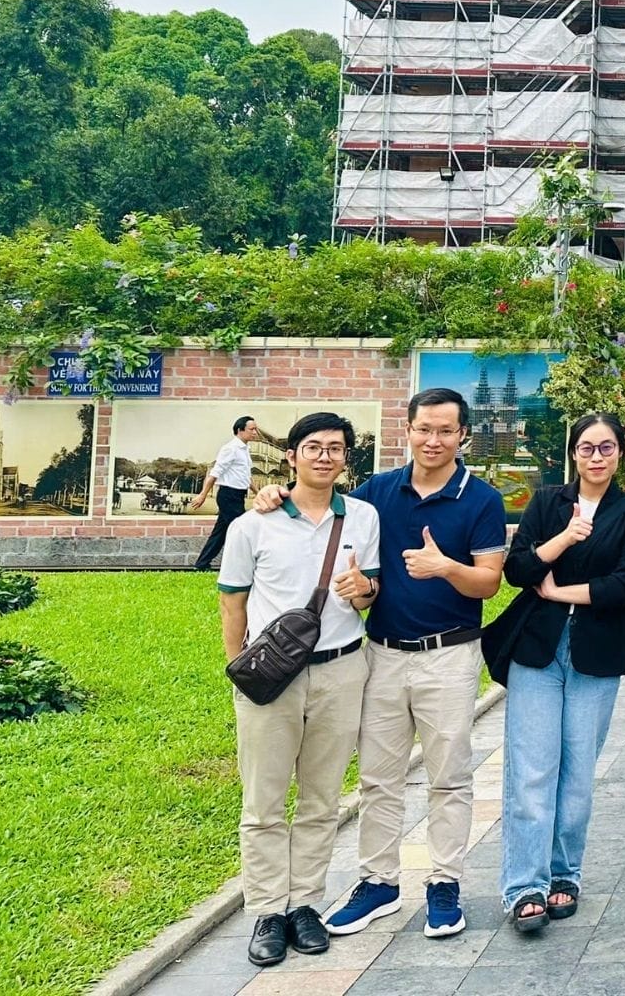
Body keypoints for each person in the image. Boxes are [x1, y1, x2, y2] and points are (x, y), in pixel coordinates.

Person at [306, 389, 507, 941]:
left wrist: (445, 567)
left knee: (449, 777)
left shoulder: (482, 499)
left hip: (450, 655)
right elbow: (319, 508)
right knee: (378, 777)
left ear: (463, 435)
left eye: (445, 431)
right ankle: (379, 883)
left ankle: (444, 884)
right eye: (424, 429)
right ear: (408, 429)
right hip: (383, 655)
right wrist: (274, 494)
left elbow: (490, 582)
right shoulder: (376, 494)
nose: (433, 440)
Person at [217, 413, 382, 967]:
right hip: (274, 678)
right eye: (313, 447)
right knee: (263, 801)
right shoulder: (252, 525)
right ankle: (266, 909)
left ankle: (305, 904)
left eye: (336, 448)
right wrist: (239, 667)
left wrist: (365, 590)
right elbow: (232, 600)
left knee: (321, 799)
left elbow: (368, 598)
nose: (324, 456)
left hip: (341, 671)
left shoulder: (362, 517)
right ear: (291, 456)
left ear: (346, 459)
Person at [486, 414, 625, 932]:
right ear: (572, 453)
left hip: (595, 654)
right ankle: (524, 886)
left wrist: (558, 590)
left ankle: (564, 875)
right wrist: (562, 539)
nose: (596, 456)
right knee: (532, 769)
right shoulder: (548, 503)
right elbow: (517, 571)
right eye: (586, 447)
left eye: (606, 447)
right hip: (538, 649)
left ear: (621, 453)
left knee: (577, 773)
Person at [194, 416, 263, 570]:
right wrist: (203, 494)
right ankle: (246, 566)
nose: (255, 432)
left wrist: (258, 493)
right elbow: (215, 473)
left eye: (255, 429)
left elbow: (246, 477)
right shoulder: (230, 448)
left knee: (220, 533)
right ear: (240, 430)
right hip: (227, 495)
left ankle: (201, 564)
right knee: (244, 529)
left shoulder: (245, 450)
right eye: (252, 429)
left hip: (238, 495)